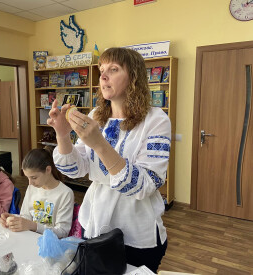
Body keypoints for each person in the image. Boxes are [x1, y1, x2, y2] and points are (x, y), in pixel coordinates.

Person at [47, 47, 170, 273]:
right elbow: (77, 168)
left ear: (134, 77)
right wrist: (63, 135)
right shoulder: (96, 115)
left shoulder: (156, 120)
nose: (103, 76)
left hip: (136, 232)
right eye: (102, 70)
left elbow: (145, 185)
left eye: (113, 69)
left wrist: (100, 144)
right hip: (93, 221)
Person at [0, 147, 74, 239]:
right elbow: (26, 216)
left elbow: (62, 232)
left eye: (34, 178)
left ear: (48, 170)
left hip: (50, 244)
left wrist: (33, 226)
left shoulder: (65, 193)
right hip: (30, 238)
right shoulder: (32, 187)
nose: (30, 183)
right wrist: (13, 218)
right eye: (28, 177)